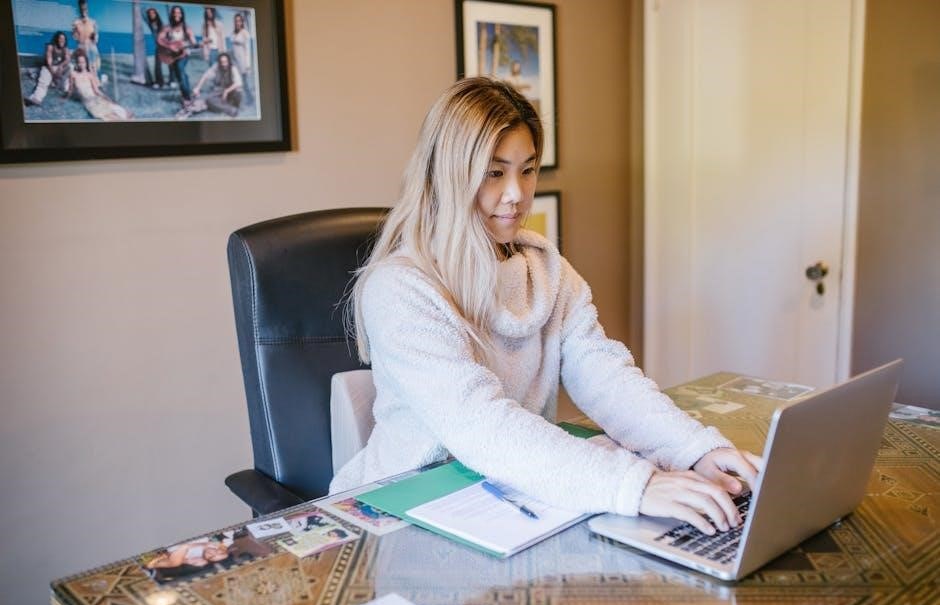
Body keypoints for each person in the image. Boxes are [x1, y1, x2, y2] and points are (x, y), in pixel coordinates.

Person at [329, 77, 763, 536]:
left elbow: (606, 378)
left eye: (528, 169)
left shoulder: (545, 270)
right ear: (449, 174)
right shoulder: (400, 288)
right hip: (405, 508)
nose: (517, 194)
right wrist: (633, 485)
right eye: (495, 172)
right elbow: (479, 423)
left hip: (509, 488)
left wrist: (693, 450)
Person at [66, 48, 132, 121]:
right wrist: (66, 98)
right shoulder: (73, 75)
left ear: (86, 63)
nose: (81, 64)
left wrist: (107, 98)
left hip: (95, 97)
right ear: (76, 63)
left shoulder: (90, 75)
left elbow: (96, 91)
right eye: (79, 62)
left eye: (83, 62)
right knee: (105, 115)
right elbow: (70, 89)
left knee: (117, 110)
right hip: (88, 101)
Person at [157, 4, 197, 103]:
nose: (176, 14)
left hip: (183, 54)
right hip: (171, 55)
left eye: (179, 13)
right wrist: (169, 46)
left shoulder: (186, 28)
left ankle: (187, 98)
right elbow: (159, 39)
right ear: (172, 14)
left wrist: (196, 44)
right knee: (180, 76)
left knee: (180, 70)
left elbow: (193, 41)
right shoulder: (167, 27)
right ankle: (186, 94)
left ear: (182, 14)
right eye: (175, 12)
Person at [24, 31, 71, 106]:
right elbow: (49, 63)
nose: (62, 40)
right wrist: (54, 75)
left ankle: (66, 90)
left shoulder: (65, 49)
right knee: (43, 83)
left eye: (64, 39)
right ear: (56, 39)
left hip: (58, 68)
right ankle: (36, 98)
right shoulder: (50, 46)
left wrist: (60, 66)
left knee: (70, 67)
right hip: (49, 68)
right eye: (60, 38)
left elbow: (67, 59)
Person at [190, 52, 242, 117]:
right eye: (222, 62)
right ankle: (230, 109)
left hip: (231, 92)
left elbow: (238, 83)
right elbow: (205, 75)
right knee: (209, 99)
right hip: (220, 90)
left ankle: (228, 107)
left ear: (229, 61)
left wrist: (226, 91)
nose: (224, 64)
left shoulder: (233, 68)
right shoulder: (216, 66)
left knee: (238, 90)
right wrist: (198, 88)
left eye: (226, 62)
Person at [229, 12, 253, 103]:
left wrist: (248, 65)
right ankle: (240, 100)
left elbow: (248, 50)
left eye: (239, 21)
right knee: (236, 81)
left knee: (245, 82)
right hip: (234, 61)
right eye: (236, 21)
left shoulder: (245, 33)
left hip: (242, 61)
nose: (237, 23)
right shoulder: (233, 33)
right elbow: (232, 48)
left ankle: (250, 99)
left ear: (242, 22)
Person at [71, 0, 99, 75]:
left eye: (85, 8)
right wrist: (75, 30)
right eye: (81, 8)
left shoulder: (93, 22)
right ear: (79, 9)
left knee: (93, 71)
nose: (83, 10)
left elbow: (96, 40)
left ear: (87, 9)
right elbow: (75, 38)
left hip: (91, 49)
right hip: (81, 48)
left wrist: (94, 36)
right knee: (81, 71)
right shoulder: (75, 23)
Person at [143, 7, 165, 89]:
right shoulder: (150, 23)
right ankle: (160, 82)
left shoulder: (161, 24)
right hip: (158, 46)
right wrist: (147, 9)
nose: (151, 15)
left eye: (153, 13)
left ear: (156, 14)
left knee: (165, 65)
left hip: (164, 46)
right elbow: (143, 13)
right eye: (150, 14)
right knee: (157, 65)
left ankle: (164, 82)